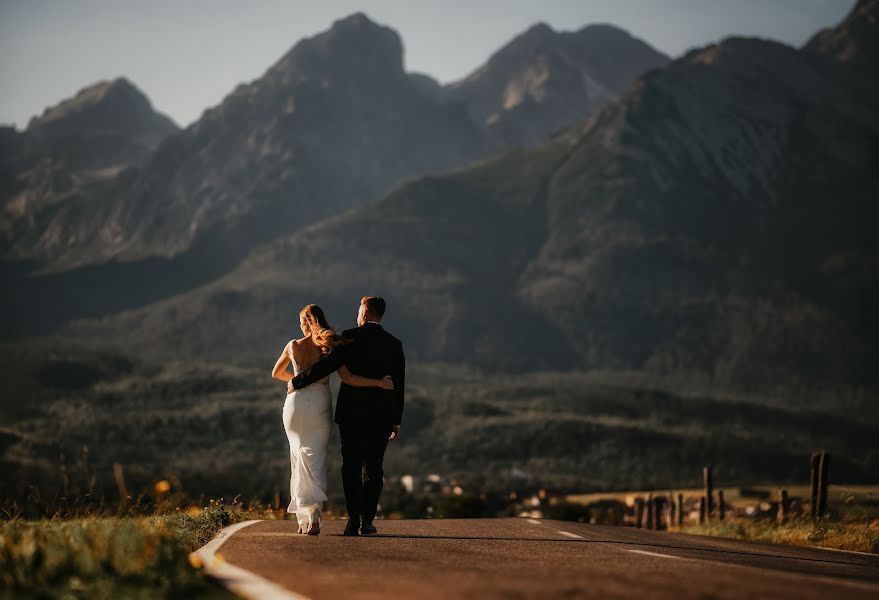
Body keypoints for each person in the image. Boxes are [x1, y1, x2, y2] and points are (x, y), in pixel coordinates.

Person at [271, 303, 393, 535]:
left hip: (294, 404)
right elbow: (348, 377)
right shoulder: (328, 345)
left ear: (305, 322)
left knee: (297, 457)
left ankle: (301, 520)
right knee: (315, 458)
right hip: (319, 404)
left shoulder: (292, 345)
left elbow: (276, 373)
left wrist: (295, 381)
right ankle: (314, 517)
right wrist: (378, 383)